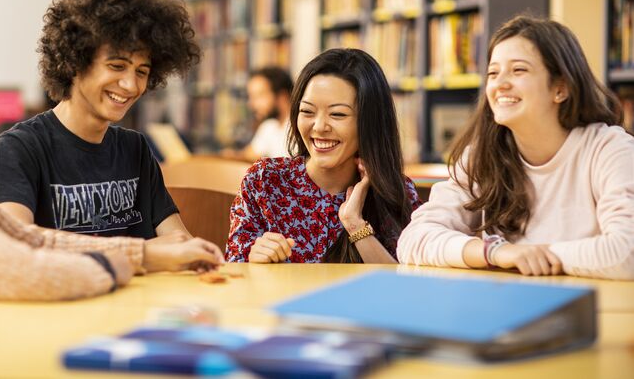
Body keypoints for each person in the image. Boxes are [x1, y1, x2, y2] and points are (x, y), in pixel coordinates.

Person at [0, 40, 223, 328]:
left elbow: (28, 238)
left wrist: (141, 254)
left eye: (141, 72)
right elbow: (18, 267)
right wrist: (121, 263)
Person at [397, 16, 634, 281]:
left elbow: (627, 252)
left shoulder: (610, 149)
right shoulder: (480, 155)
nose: (500, 84)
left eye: (518, 70)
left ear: (561, 88)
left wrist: (529, 254)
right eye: (493, 73)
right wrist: (496, 253)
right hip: (508, 309)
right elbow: (413, 240)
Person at [0, 0, 201, 240]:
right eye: (117, 66)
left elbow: (180, 242)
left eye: (142, 71)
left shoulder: (135, 150)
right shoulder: (18, 149)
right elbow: (18, 245)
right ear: (76, 61)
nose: (131, 85)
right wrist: (144, 255)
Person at [226, 48, 421, 263]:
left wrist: (356, 225)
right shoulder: (263, 180)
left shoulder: (397, 193)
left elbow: (405, 288)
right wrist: (254, 259)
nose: (319, 127)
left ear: (370, 122)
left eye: (337, 114)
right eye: (307, 111)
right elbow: (235, 274)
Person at [224, 67, 293, 161]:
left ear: (282, 96)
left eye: (259, 96)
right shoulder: (269, 126)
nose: (251, 104)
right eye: (251, 97)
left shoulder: (298, 130)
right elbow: (247, 156)